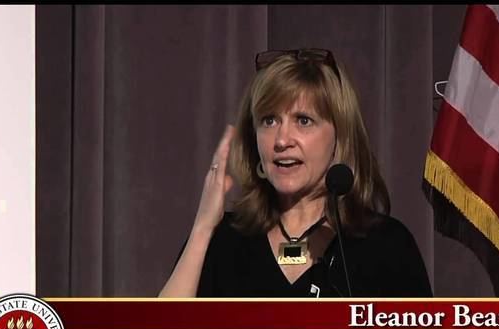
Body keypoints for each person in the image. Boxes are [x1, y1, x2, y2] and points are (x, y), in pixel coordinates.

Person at [159, 48, 432, 299]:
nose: (281, 140)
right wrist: (203, 228)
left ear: (340, 137)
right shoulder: (224, 241)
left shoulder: (386, 246)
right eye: (269, 120)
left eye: (303, 120)